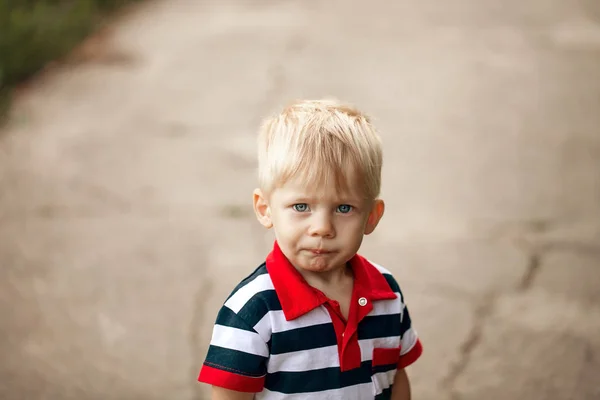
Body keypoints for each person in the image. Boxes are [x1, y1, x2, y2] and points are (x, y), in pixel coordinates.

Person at [197, 99, 423, 399]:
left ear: (371, 216)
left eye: (344, 207)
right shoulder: (253, 312)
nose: (322, 228)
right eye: (301, 206)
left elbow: (396, 377)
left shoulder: (387, 293)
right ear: (265, 209)